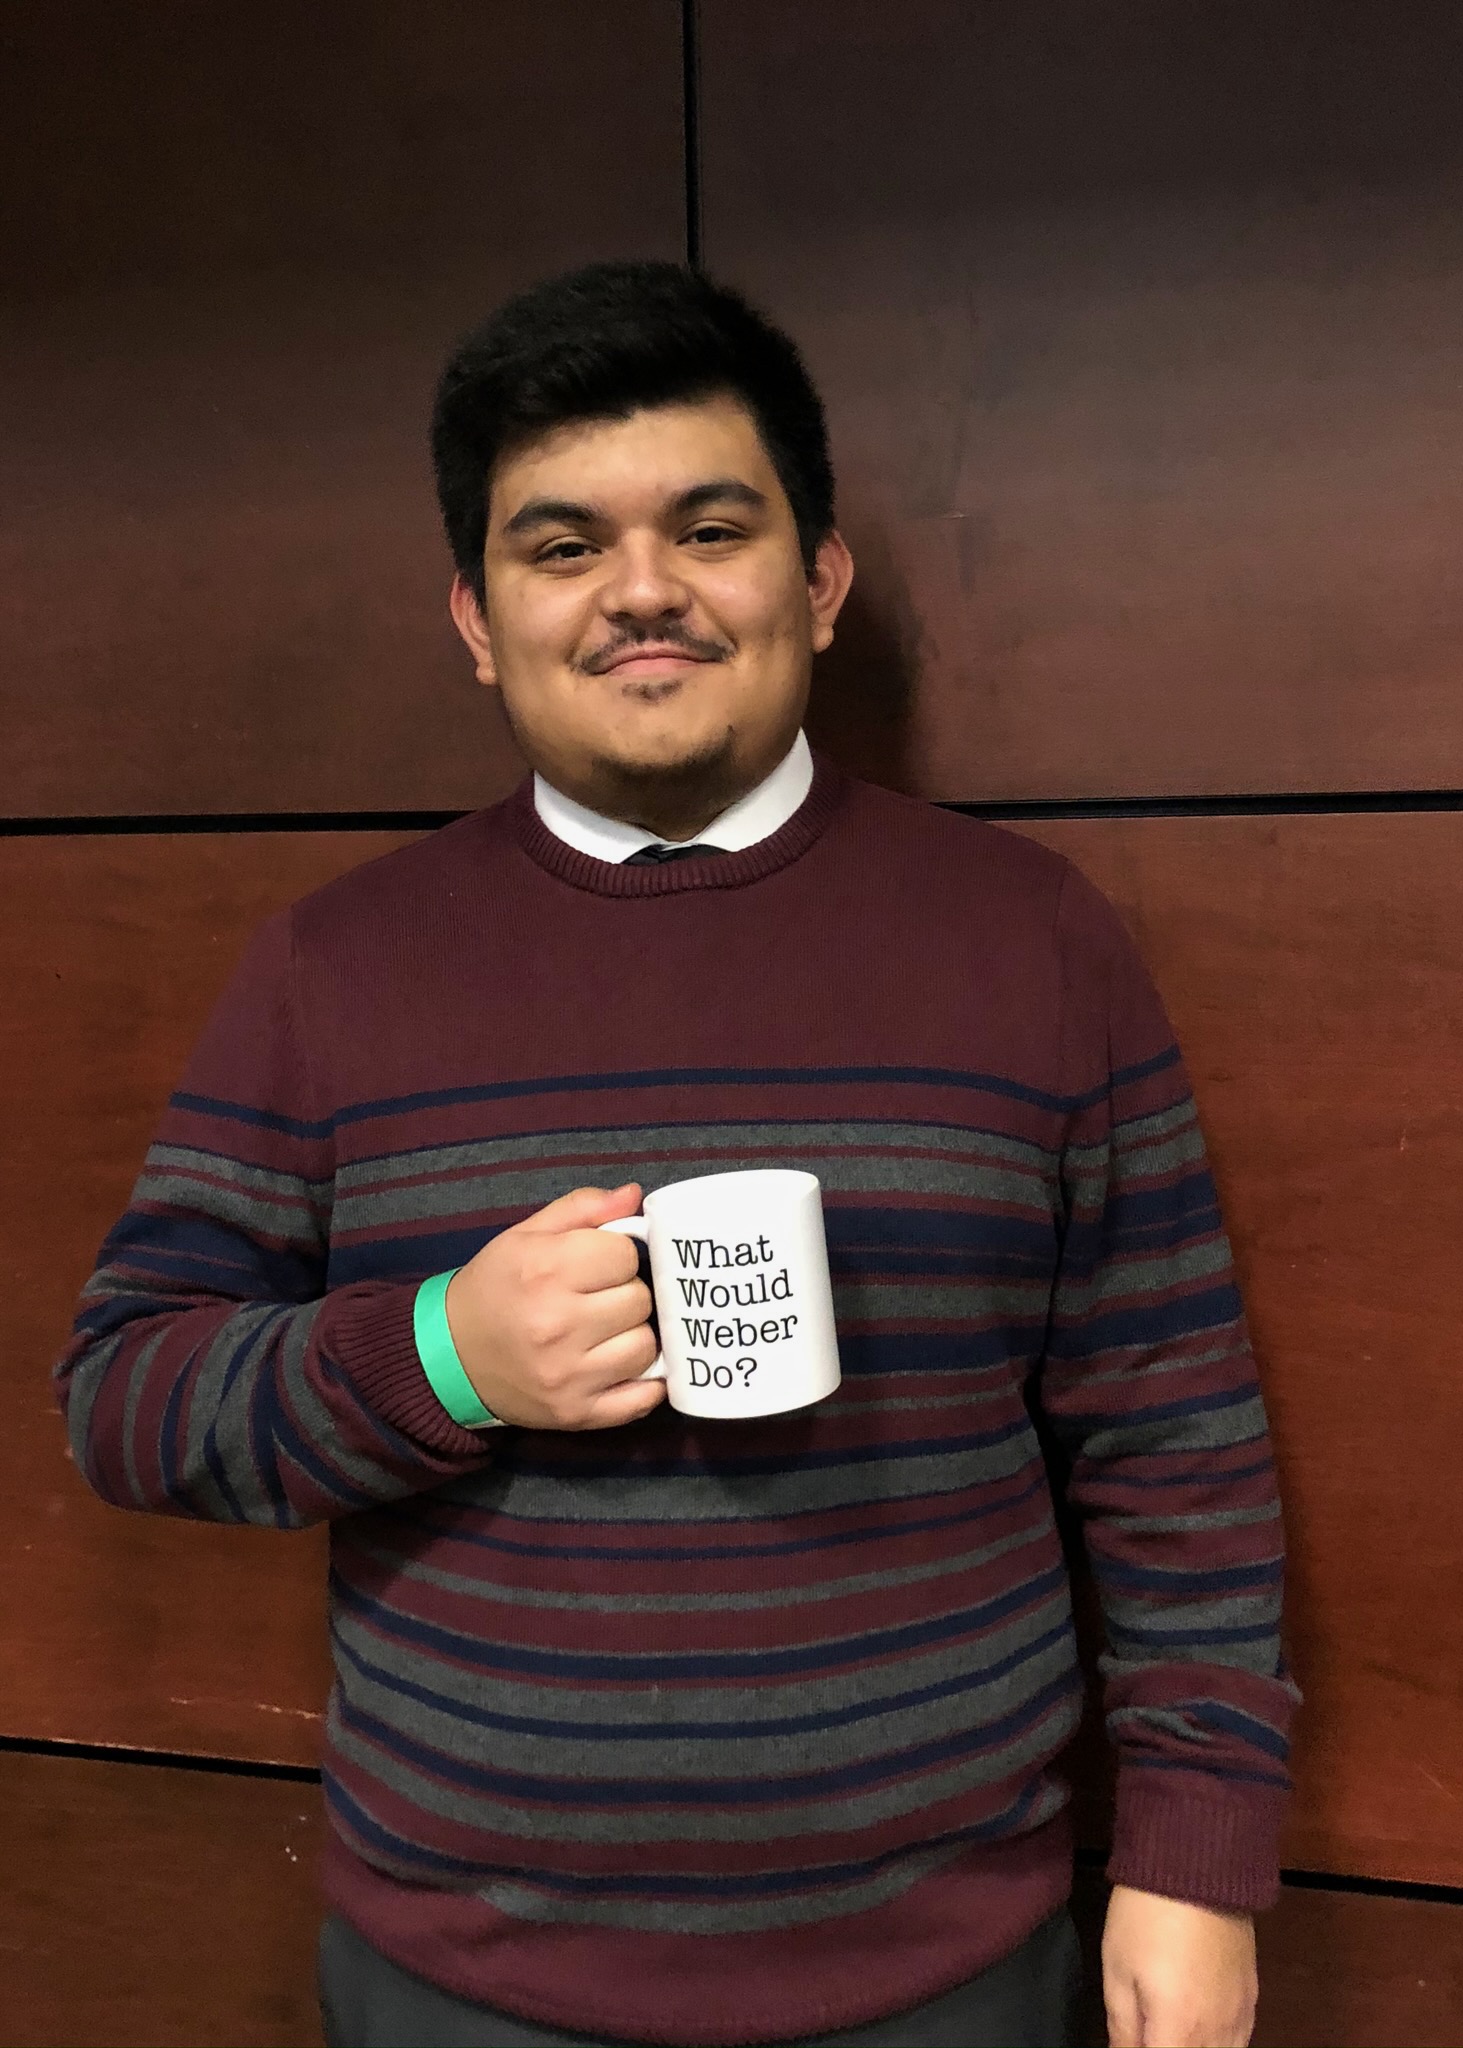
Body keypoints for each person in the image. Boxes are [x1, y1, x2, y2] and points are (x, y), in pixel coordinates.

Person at [56, 261, 1296, 2048]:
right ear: (477, 616)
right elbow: (123, 1395)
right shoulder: (333, 968)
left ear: (822, 579)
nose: (641, 590)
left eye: (710, 527)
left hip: (952, 1970)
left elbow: (1172, 1426)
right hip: (458, 1985)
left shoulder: (1033, 938)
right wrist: (441, 1357)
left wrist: (1197, 1860)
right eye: (561, 547)